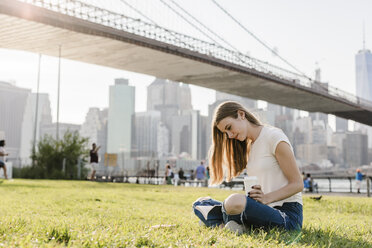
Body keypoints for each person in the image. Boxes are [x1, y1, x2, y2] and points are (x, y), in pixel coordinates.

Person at [193, 101, 303, 232]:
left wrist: (266, 198)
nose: (230, 135)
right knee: (200, 202)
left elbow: (297, 184)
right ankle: (233, 225)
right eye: (225, 133)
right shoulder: (249, 146)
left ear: (241, 114)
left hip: (287, 215)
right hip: (261, 209)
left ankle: (221, 223)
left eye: (229, 127)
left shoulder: (274, 137)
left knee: (234, 201)